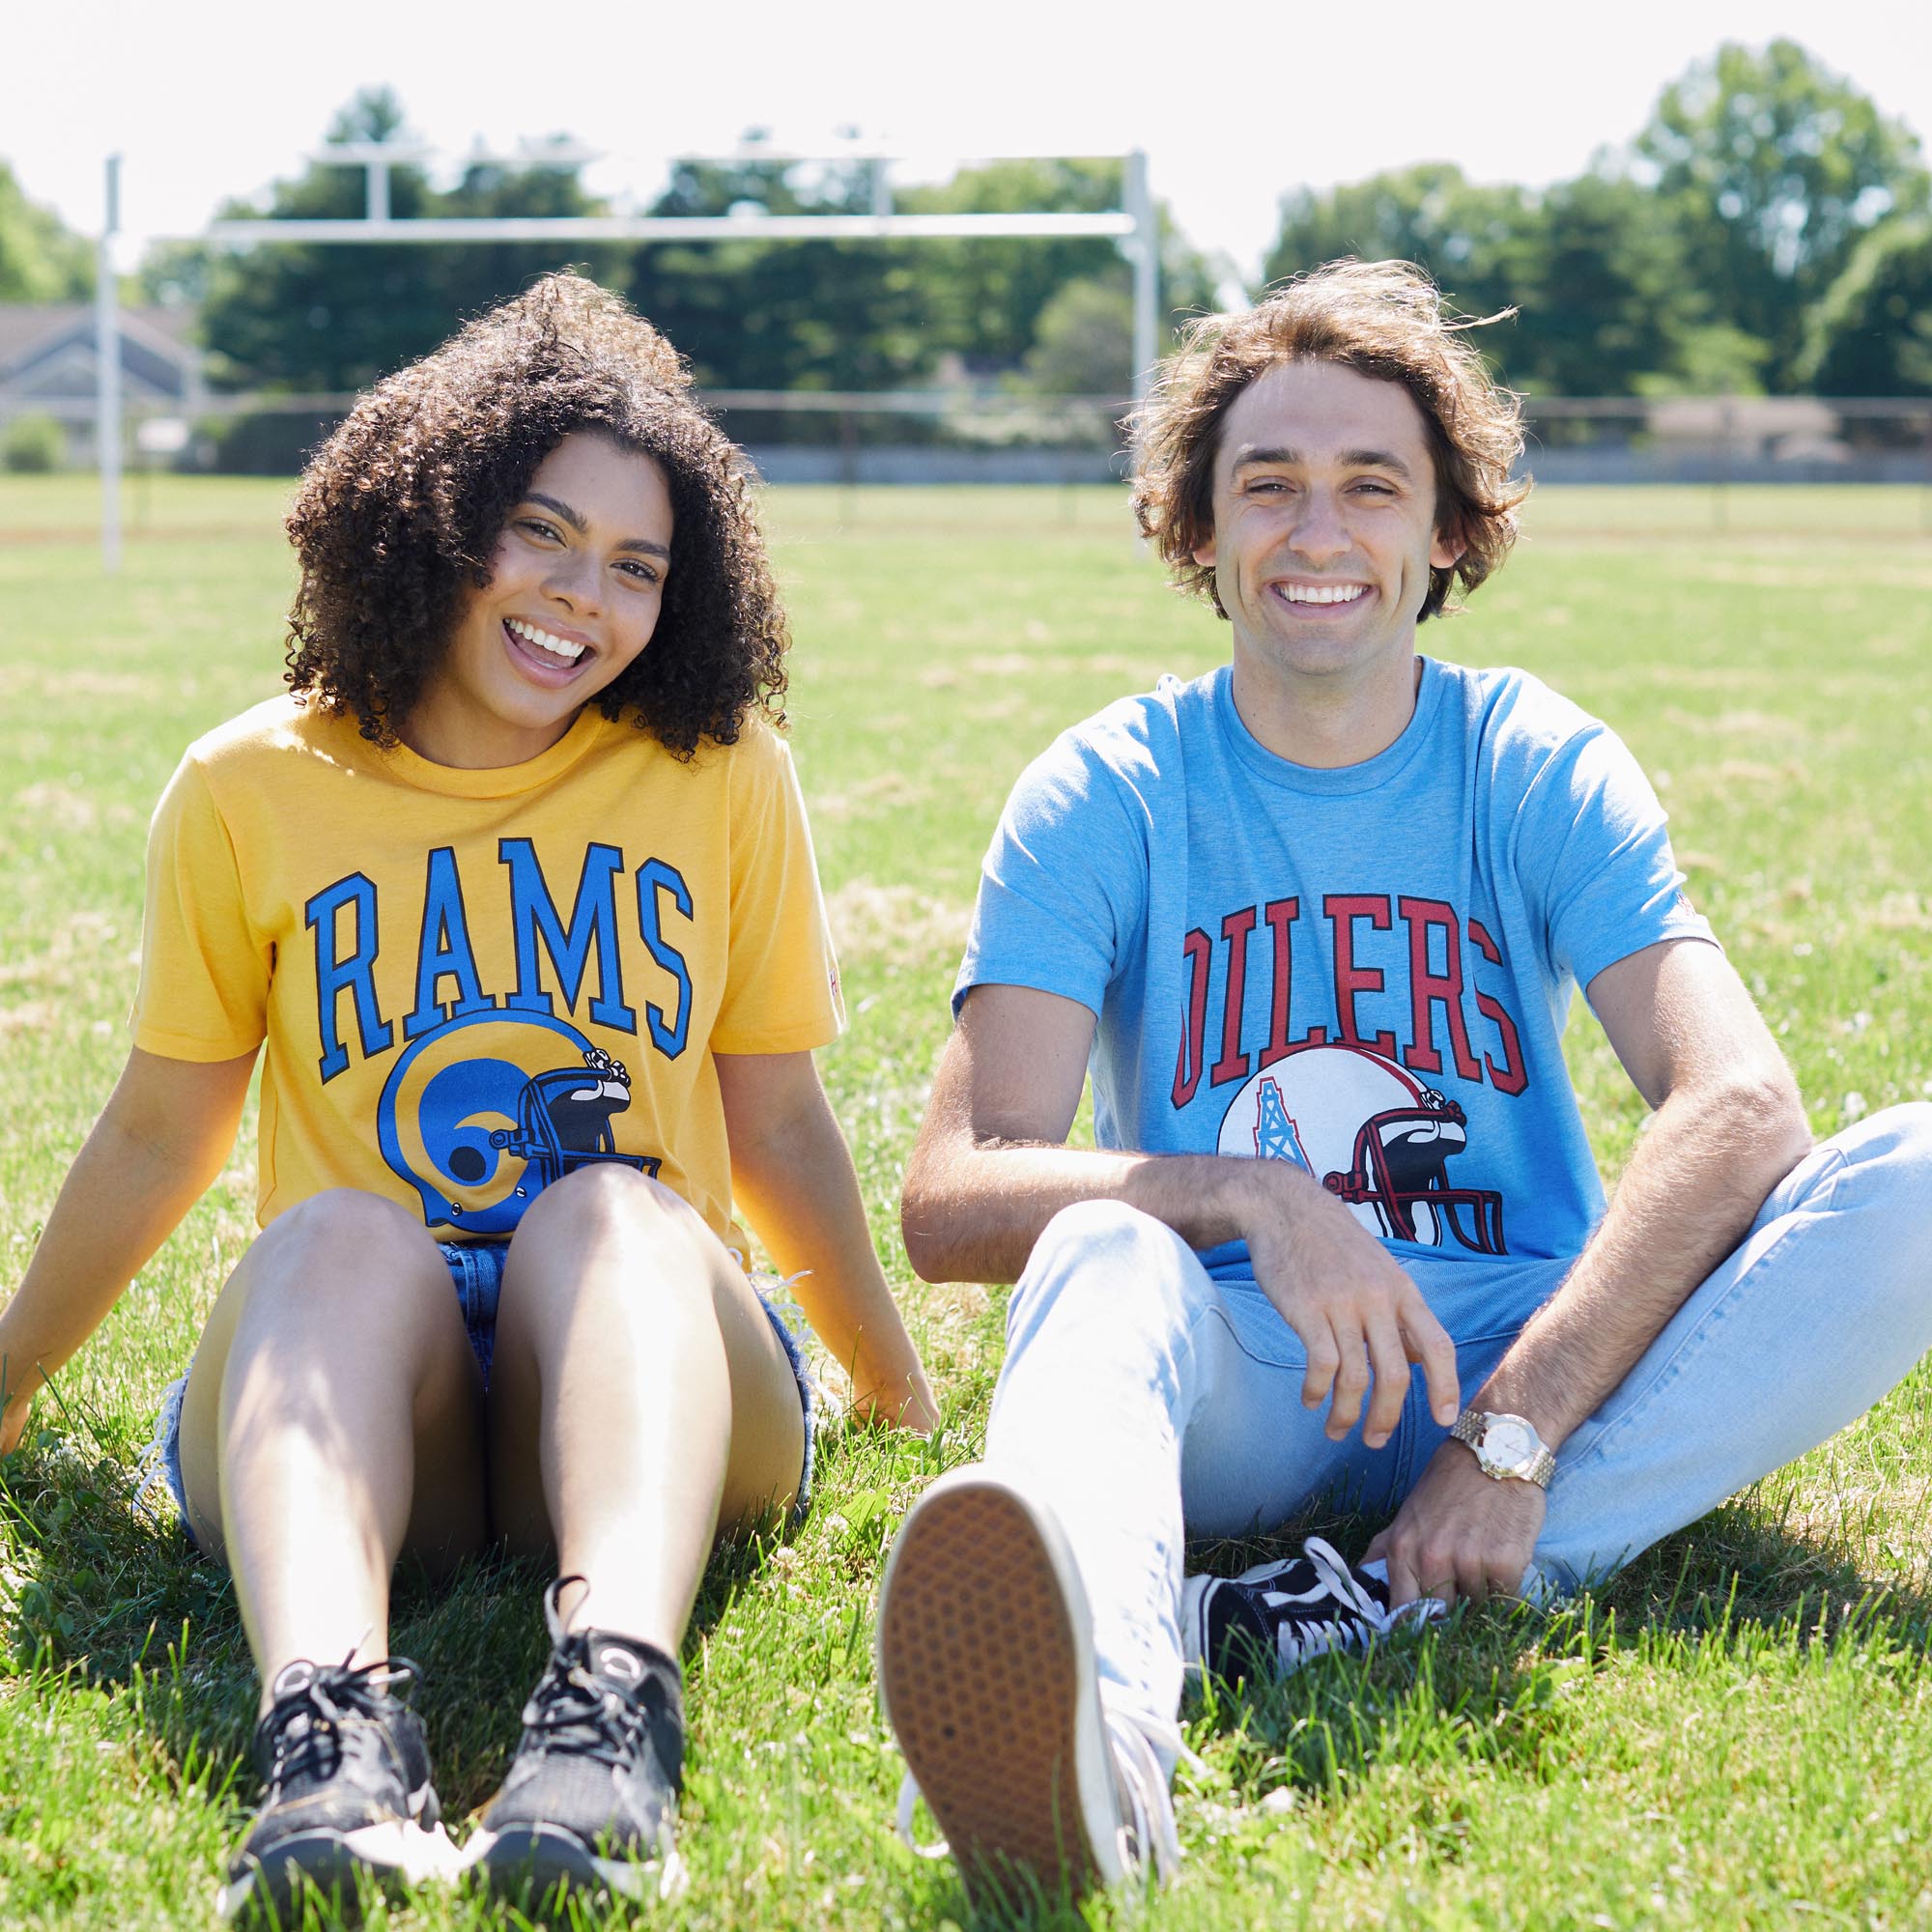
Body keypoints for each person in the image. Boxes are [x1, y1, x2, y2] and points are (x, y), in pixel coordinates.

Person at [873, 258, 1932, 1905]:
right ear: (1196, 531)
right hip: (1244, 1368)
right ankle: (1102, 1747)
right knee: (1099, 1251)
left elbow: (1738, 1106)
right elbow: (951, 1192)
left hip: (1521, 1360)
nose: (1317, 533)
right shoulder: (1108, 788)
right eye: (1266, 485)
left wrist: (1508, 1436)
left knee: (1920, 1174)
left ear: (1446, 534)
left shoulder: (1533, 756)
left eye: (1374, 486)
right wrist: (1251, 1193)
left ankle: (1388, 1588)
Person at [0, 272, 935, 1918]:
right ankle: (332, 1750)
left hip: (655, 1370)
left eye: (637, 567)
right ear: (431, 519)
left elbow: (778, 1117)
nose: (583, 597)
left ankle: (609, 1725)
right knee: (346, 1230)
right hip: (384, 1400)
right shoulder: (250, 786)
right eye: (542, 533)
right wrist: (3, 1382)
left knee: (608, 1204)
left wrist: (896, 1392)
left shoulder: (719, 775)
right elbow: (164, 1128)